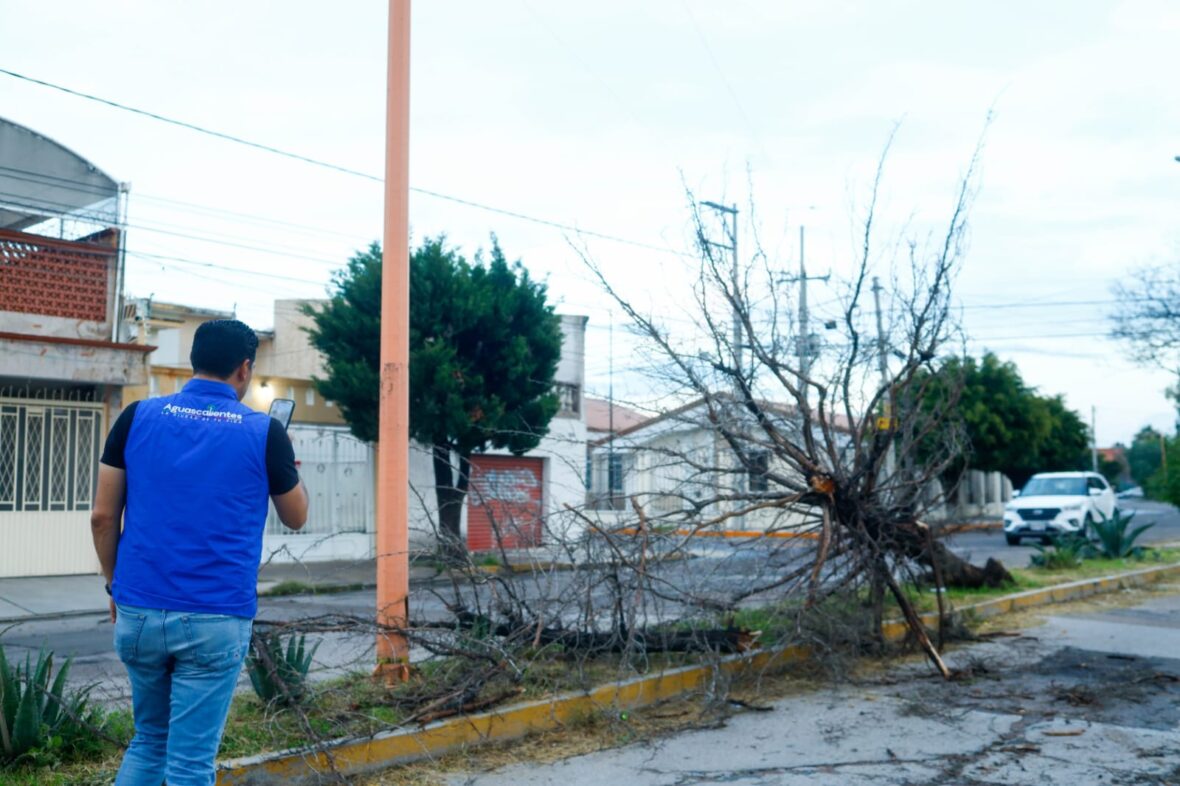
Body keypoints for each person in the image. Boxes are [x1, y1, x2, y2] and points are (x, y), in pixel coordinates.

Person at [91, 319, 309, 786]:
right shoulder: (263, 432)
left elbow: (103, 518)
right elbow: (296, 516)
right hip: (215, 617)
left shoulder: (135, 417)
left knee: (149, 742)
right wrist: (285, 458)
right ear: (244, 368)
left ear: (195, 360)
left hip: (139, 609)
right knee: (190, 763)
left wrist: (115, 585)